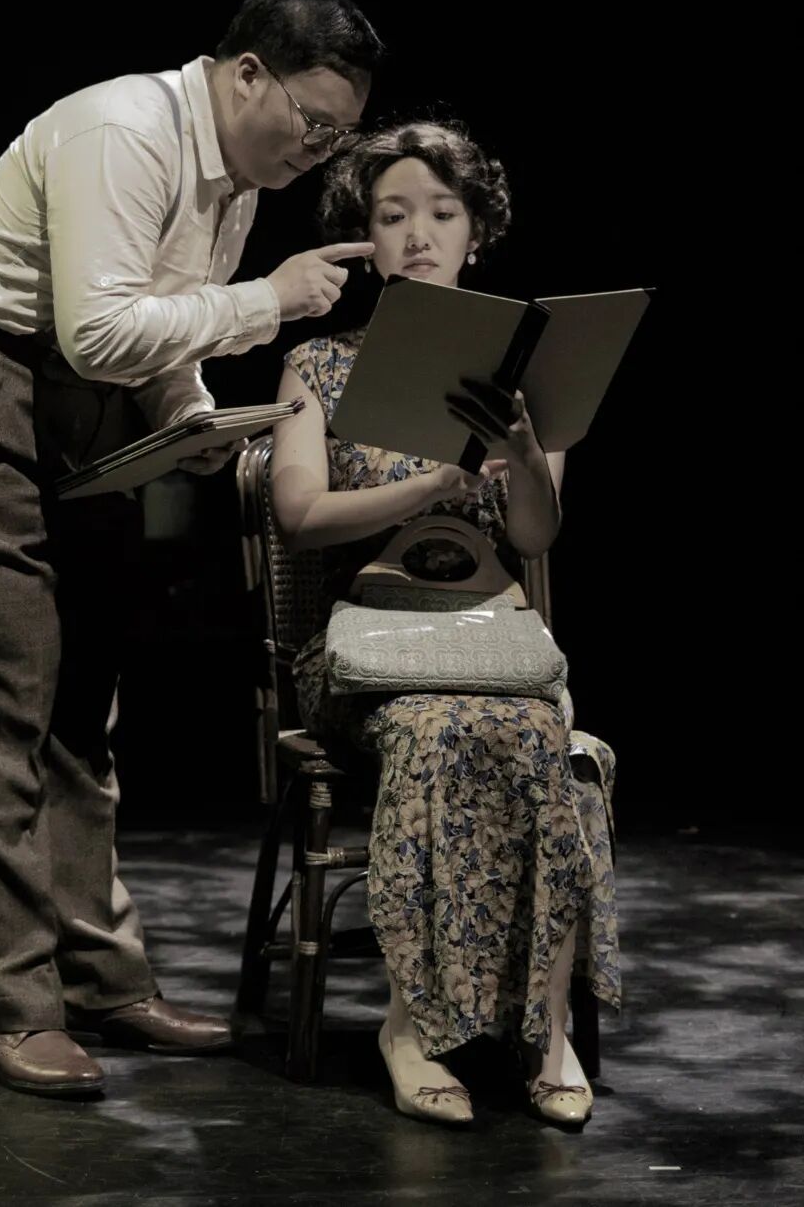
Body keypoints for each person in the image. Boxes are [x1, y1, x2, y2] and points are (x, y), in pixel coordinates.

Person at [0, 0, 383, 1096]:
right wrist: (268, 303)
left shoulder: (235, 177)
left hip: (83, 404)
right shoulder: (125, 129)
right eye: (313, 121)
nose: (319, 149)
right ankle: (17, 1005)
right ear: (246, 73)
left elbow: (157, 329)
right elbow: (99, 326)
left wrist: (188, 415)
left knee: (82, 703)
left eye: (338, 135)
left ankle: (102, 979)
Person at [270, 119, 620, 1127]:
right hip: (370, 651)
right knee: (438, 727)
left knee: (544, 736)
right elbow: (298, 513)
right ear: (365, 236)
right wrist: (427, 484)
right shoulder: (320, 365)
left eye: (441, 212)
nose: (417, 234)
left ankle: (545, 1027)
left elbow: (536, 534)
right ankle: (410, 1027)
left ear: (477, 229)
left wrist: (526, 451)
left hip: (491, 644)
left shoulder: (525, 373)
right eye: (392, 215)